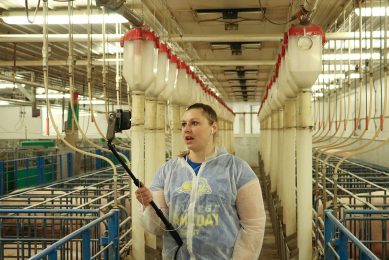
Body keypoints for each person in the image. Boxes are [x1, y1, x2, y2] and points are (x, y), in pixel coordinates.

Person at [135, 103, 266, 259]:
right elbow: (157, 227)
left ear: (213, 127)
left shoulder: (237, 170)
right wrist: (149, 205)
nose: (187, 129)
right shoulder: (166, 172)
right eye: (184, 124)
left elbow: (253, 225)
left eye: (194, 123)